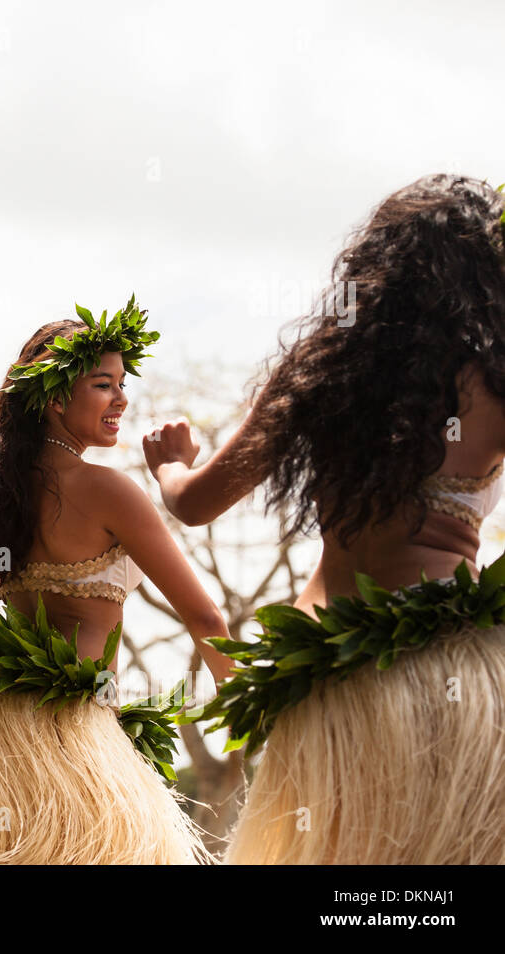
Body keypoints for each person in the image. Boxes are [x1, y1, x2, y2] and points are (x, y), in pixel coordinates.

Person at [144, 174, 505, 864]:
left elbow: (194, 503)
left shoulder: (320, 373)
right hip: (447, 666)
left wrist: (170, 465)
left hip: (324, 676)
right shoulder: (491, 384)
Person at [0, 300, 232, 864]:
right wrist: (255, 707)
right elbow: (206, 618)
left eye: (122, 383)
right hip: (78, 734)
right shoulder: (107, 489)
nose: (122, 398)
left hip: (0, 738)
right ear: (53, 397)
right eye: (103, 385)